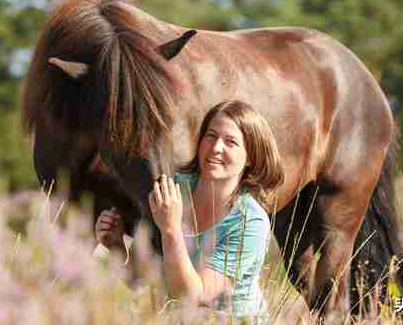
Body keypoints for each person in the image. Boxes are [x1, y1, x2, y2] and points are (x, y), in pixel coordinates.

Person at [95, 100, 284, 323]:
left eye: (231, 142)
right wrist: (116, 245)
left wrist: (171, 228)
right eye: (211, 136)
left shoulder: (250, 222)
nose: (216, 148)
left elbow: (192, 295)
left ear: (251, 157)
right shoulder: (172, 190)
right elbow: (139, 280)